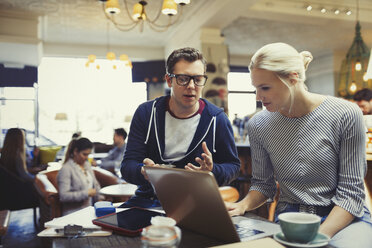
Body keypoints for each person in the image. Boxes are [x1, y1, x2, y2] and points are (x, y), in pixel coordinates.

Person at [225, 42, 372, 246]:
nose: (258, 97)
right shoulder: (258, 125)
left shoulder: (346, 114)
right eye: (255, 88)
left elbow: (351, 195)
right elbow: (263, 186)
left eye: (265, 88)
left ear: (293, 78)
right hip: (291, 217)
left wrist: (319, 237)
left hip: (344, 219)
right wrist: (242, 206)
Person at [120, 47, 241, 208]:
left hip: (197, 201)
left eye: (197, 79)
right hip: (148, 199)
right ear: (169, 80)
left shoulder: (217, 119)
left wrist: (211, 171)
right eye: (183, 78)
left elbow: (233, 166)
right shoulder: (146, 113)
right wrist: (143, 171)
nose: (191, 86)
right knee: (116, 229)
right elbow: (127, 166)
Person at [57, 137, 101, 216]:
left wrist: (101, 198)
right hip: (74, 213)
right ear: (75, 151)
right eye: (84, 154)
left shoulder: (87, 165)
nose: (87, 157)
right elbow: (63, 196)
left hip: (89, 211)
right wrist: (86, 193)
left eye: (88, 154)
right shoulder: (66, 169)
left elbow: (95, 184)